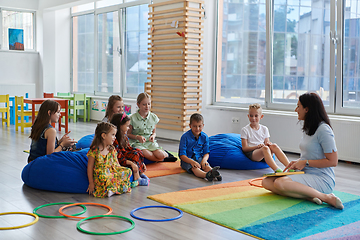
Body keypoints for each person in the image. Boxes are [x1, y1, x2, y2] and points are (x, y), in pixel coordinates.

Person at [262, 92, 344, 209]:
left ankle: (326, 197)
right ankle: (308, 196)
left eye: (298, 106)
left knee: (280, 183)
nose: (296, 110)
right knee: (266, 182)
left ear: (307, 109)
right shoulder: (309, 128)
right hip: (306, 173)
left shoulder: (324, 130)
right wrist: (298, 162)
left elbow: (333, 161)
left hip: (322, 178)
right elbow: (311, 154)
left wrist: (305, 162)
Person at [87, 122, 133, 198]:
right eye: (113, 135)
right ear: (104, 135)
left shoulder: (112, 149)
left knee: (128, 171)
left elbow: (117, 164)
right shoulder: (94, 150)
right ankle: (114, 189)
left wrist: (120, 171)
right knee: (105, 177)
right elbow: (89, 168)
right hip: (102, 175)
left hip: (112, 172)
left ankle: (113, 189)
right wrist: (91, 183)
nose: (115, 137)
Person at [241, 103, 290, 173]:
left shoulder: (264, 129)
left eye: (256, 116)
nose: (253, 118)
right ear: (248, 116)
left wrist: (268, 144)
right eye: (251, 116)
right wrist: (256, 147)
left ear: (261, 116)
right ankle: (277, 170)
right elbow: (245, 148)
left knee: (274, 146)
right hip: (253, 153)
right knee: (265, 148)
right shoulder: (245, 130)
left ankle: (289, 166)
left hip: (264, 152)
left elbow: (267, 142)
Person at [179, 113, 221, 181]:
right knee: (194, 168)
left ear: (203, 125)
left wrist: (204, 160)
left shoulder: (205, 137)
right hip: (187, 160)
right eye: (194, 126)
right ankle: (206, 175)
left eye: (199, 126)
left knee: (206, 165)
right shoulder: (184, 137)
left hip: (199, 158)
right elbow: (182, 155)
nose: (197, 129)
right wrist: (192, 162)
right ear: (190, 126)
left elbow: (206, 152)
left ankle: (214, 173)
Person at [111, 112, 149, 186]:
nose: (128, 128)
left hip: (124, 156)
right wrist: (131, 163)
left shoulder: (124, 137)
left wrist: (141, 162)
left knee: (137, 151)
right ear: (120, 126)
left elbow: (129, 149)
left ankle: (140, 173)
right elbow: (118, 156)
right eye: (127, 126)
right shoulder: (114, 140)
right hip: (118, 160)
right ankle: (136, 177)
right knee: (134, 154)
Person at [127, 93, 168, 162]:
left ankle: (162, 157)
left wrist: (153, 136)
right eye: (144, 104)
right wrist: (137, 137)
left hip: (150, 143)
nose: (147, 106)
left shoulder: (153, 117)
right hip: (137, 143)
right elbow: (128, 135)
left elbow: (154, 133)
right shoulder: (132, 118)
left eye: (149, 104)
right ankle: (161, 160)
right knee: (147, 154)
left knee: (161, 155)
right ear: (138, 104)